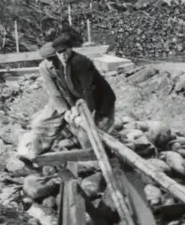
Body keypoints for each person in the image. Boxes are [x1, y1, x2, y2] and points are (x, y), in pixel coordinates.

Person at [17, 24, 116, 162]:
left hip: (94, 101)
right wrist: (66, 111)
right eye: (53, 58)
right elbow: (56, 93)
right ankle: (33, 151)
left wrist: (85, 113)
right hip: (65, 99)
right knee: (41, 123)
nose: (56, 60)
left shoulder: (75, 63)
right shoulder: (47, 67)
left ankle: (102, 158)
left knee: (91, 135)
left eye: (58, 56)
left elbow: (87, 90)